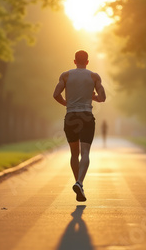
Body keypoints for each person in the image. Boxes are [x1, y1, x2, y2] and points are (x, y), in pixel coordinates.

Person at [53, 50, 106, 202]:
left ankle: (79, 184)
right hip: (86, 117)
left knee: (74, 153)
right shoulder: (94, 76)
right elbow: (102, 98)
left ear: (74, 61)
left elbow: (56, 94)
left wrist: (67, 104)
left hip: (71, 117)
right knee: (86, 152)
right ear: (87, 62)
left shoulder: (65, 75)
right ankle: (80, 183)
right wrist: (92, 96)